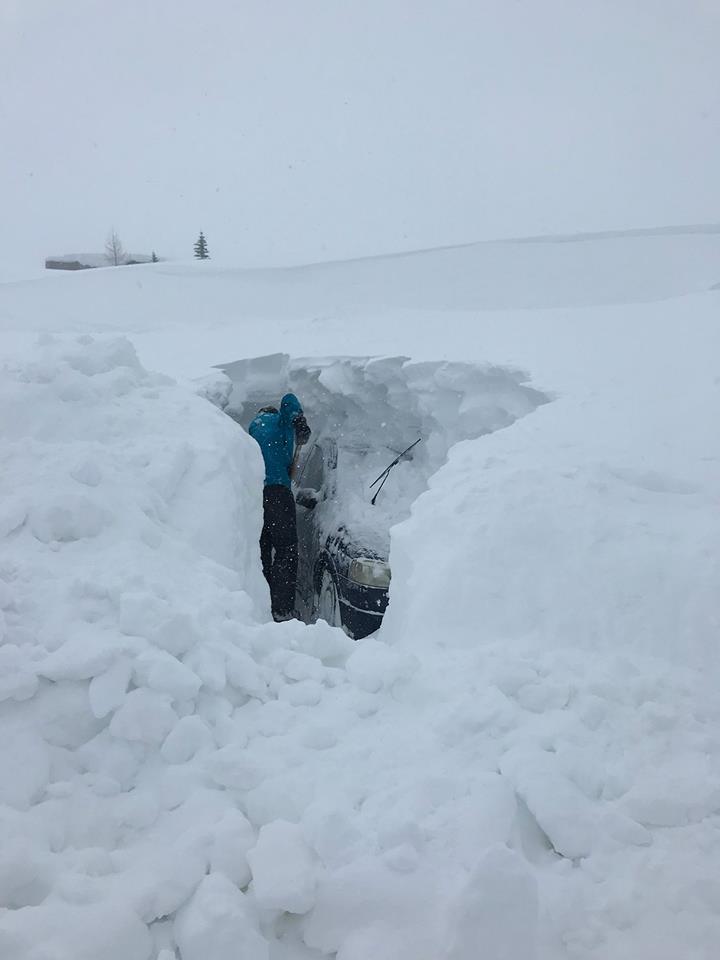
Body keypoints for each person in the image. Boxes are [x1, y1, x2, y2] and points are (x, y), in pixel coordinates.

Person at [248, 394, 311, 621]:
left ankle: (261, 603)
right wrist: (298, 420)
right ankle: (282, 609)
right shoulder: (278, 422)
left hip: (253, 494)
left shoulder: (252, 428)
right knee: (285, 550)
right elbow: (290, 400)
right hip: (277, 492)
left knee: (260, 550)